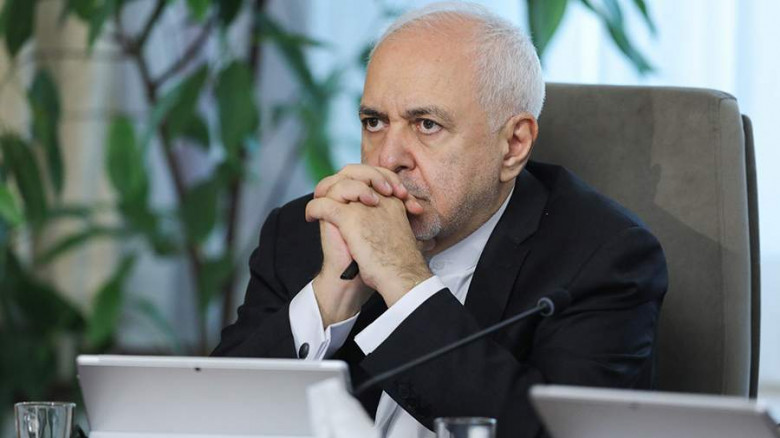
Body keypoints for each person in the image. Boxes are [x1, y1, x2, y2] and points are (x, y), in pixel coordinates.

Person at [212, 2, 668, 437]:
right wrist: (331, 298)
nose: (388, 158)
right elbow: (211, 418)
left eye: (426, 124)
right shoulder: (307, 231)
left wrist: (402, 279)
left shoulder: (602, 259)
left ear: (513, 145)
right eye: (374, 122)